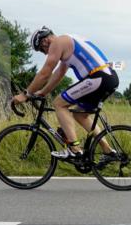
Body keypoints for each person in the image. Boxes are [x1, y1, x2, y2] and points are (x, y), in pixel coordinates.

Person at [12, 27, 119, 163]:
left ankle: (74, 149)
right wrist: (44, 92)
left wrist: (25, 94)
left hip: (98, 77)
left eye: (40, 49)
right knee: (80, 114)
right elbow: (59, 74)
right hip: (107, 78)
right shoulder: (69, 41)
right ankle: (108, 151)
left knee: (59, 104)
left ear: (45, 40)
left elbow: (46, 72)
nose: (44, 53)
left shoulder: (58, 42)